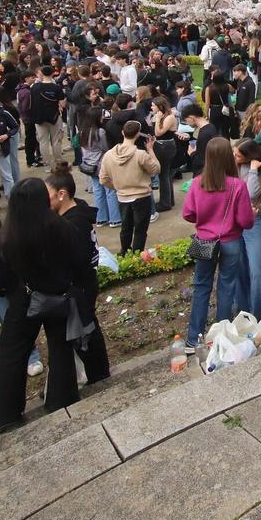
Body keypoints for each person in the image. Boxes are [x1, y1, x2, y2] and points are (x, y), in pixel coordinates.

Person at [0, 178, 88, 435]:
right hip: (59, 296)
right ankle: (62, 398)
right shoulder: (62, 228)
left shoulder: (5, 238)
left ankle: (8, 413)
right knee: (60, 348)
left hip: (23, 300)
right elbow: (80, 261)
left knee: (12, 354)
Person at [181, 137, 254, 351]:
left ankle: (194, 338)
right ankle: (221, 335)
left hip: (204, 240)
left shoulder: (197, 183)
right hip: (230, 240)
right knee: (226, 286)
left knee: (201, 287)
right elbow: (246, 221)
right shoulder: (237, 185)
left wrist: (204, 222)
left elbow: (188, 214)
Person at [44, 163, 111, 385]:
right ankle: (97, 372)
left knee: (87, 327)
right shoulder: (77, 213)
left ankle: (98, 374)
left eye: (49, 195)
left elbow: (77, 258)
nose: (46, 201)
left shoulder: (74, 223)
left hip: (81, 284)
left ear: (62, 194)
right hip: (83, 282)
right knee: (87, 324)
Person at [98, 120, 161, 255]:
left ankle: (124, 252)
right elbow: (156, 169)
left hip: (122, 197)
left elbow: (103, 179)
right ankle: (136, 255)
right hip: (141, 196)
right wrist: (150, 149)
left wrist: (117, 187)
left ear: (122, 133)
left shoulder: (109, 155)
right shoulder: (140, 155)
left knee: (125, 228)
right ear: (138, 135)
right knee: (140, 229)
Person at [234, 139, 261, 319]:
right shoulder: (232, 168)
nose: (234, 157)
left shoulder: (259, 170)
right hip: (235, 224)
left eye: (238, 155)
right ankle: (242, 310)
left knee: (257, 270)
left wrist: (254, 170)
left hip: (254, 223)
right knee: (240, 269)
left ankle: (260, 312)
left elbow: (250, 193)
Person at [29, 65, 67, 168]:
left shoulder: (34, 87)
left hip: (39, 117)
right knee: (56, 141)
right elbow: (63, 104)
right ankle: (59, 162)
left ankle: (47, 165)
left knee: (43, 142)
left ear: (41, 73)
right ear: (53, 73)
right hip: (54, 116)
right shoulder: (56, 87)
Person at [150, 97, 178, 212]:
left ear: (160, 106)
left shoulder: (169, 117)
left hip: (165, 147)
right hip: (161, 146)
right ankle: (168, 200)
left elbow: (158, 132)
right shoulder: (160, 116)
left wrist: (157, 119)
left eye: (153, 105)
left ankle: (165, 203)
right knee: (166, 175)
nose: (151, 107)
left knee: (164, 175)